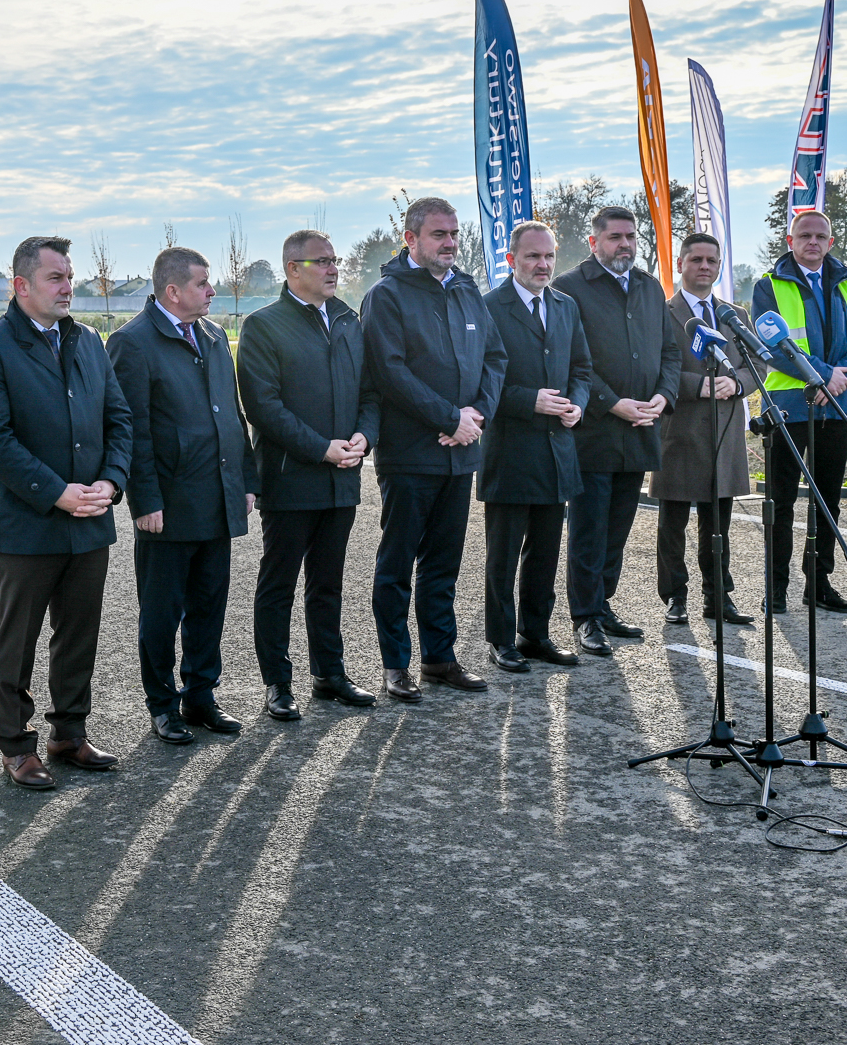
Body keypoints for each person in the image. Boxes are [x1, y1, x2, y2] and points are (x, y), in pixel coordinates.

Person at [0, 236, 133, 790]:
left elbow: (119, 420)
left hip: (89, 519)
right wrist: (56, 491)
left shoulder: (89, 342)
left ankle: (69, 733)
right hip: (28, 522)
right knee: (19, 637)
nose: (67, 287)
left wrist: (111, 480)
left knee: (79, 632)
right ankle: (16, 746)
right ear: (21, 285)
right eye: (55, 277)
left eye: (69, 276)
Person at [109, 247, 259, 744]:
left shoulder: (215, 336)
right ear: (172, 291)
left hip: (216, 497)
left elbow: (232, 416)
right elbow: (132, 429)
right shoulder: (133, 344)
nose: (212, 290)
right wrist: (145, 500)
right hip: (168, 506)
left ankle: (200, 696)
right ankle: (162, 705)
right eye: (202, 283)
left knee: (208, 606)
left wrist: (246, 481)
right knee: (162, 611)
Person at [360, 196, 506, 701]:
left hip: (460, 451)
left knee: (444, 563)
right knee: (398, 563)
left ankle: (439, 659)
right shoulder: (387, 295)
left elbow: (495, 357)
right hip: (410, 454)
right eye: (439, 235)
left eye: (454, 233)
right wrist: (449, 417)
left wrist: (475, 417)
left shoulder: (468, 291)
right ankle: (395, 664)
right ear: (411, 239)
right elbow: (390, 370)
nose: (450, 243)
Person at [237, 229, 380, 720]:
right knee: (278, 585)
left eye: (335, 259)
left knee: (329, 583)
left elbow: (370, 393)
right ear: (293, 269)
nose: (333, 268)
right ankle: (278, 683)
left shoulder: (347, 320)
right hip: (290, 479)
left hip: (342, 478)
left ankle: (330, 674)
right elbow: (264, 407)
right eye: (322, 261)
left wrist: (364, 437)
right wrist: (321, 449)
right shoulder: (264, 325)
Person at [551, 206, 681, 658]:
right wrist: (613, 403)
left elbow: (668, 351)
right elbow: (571, 360)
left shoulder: (649, 287)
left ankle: (603, 604)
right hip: (595, 431)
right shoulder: (568, 288)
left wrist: (664, 396)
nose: (624, 244)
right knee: (589, 528)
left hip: (642, 428)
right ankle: (584, 617)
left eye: (630, 236)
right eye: (615, 237)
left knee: (619, 527)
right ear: (594, 242)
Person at [751, 210, 847, 614]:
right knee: (781, 501)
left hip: (836, 410)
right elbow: (770, 344)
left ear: (831, 242)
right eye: (804, 235)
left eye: (820, 236)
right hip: (788, 409)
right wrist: (824, 375)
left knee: (827, 502)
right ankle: (776, 587)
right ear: (790, 241)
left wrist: (841, 378)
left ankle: (819, 585)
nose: (812, 242)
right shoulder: (768, 286)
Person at [478, 221, 592, 671]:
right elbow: (478, 382)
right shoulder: (488, 308)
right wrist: (530, 401)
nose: (542, 265)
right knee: (503, 556)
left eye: (548, 256)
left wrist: (578, 406)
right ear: (511, 260)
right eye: (532, 257)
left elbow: (582, 368)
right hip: (509, 451)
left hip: (557, 450)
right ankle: (501, 638)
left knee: (545, 552)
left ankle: (535, 633)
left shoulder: (565, 306)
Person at [653, 233, 760, 626]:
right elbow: (653, 370)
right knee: (673, 526)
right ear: (680, 264)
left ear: (719, 266)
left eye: (711, 260)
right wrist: (697, 386)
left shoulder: (736, 315)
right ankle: (675, 597)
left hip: (725, 435)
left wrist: (738, 383)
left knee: (718, 526)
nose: (704, 266)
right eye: (695, 259)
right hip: (679, 433)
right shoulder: (663, 313)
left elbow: (756, 367)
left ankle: (719, 598)